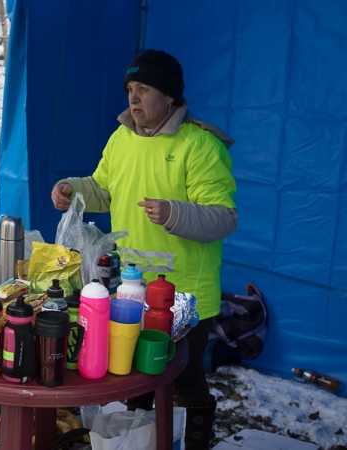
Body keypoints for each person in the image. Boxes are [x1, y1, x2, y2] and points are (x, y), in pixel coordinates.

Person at [51, 49, 237, 450]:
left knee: (182, 379)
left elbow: (223, 218)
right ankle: (140, 441)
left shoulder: (201, 146)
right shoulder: (121, 138)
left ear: (170, 97)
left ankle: (198, 438)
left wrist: (174, 212)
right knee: (134, 374)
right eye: (130, 90)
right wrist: (73, 189)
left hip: (183, 295)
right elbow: (103, 189)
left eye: (144, 89)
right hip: (129, 288)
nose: (133, 98)